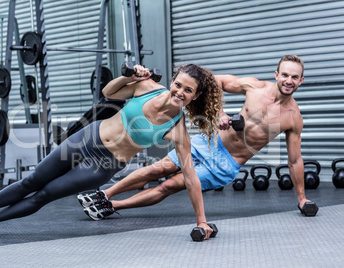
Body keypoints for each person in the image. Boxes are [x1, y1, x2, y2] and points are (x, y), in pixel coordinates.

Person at [0, 64, 222, 240]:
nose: (180, 92)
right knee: (32, 181)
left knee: (45, 195)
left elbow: (191, 177)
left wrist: (201, 221)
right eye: (178, 85)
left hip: (104, 164)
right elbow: (108, 91)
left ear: (195, 96)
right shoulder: (146, 87)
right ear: (172, 81)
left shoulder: (177, 128)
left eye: (188, 90)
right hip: (88, 138)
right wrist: (128, 76)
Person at [78, 55, 316, 221]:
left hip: (227, 163)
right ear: (277, 74)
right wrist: (220, 113)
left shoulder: (293, 117)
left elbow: (295, 161)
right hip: (209, 142)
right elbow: (213, 81)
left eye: (295, 77)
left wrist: (302, 199)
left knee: (171, 185)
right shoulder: (254, 87)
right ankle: (104, 194)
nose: (289, 80)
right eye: (285, 74)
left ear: (301, 81)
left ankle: (112, 206)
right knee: (156, 169)